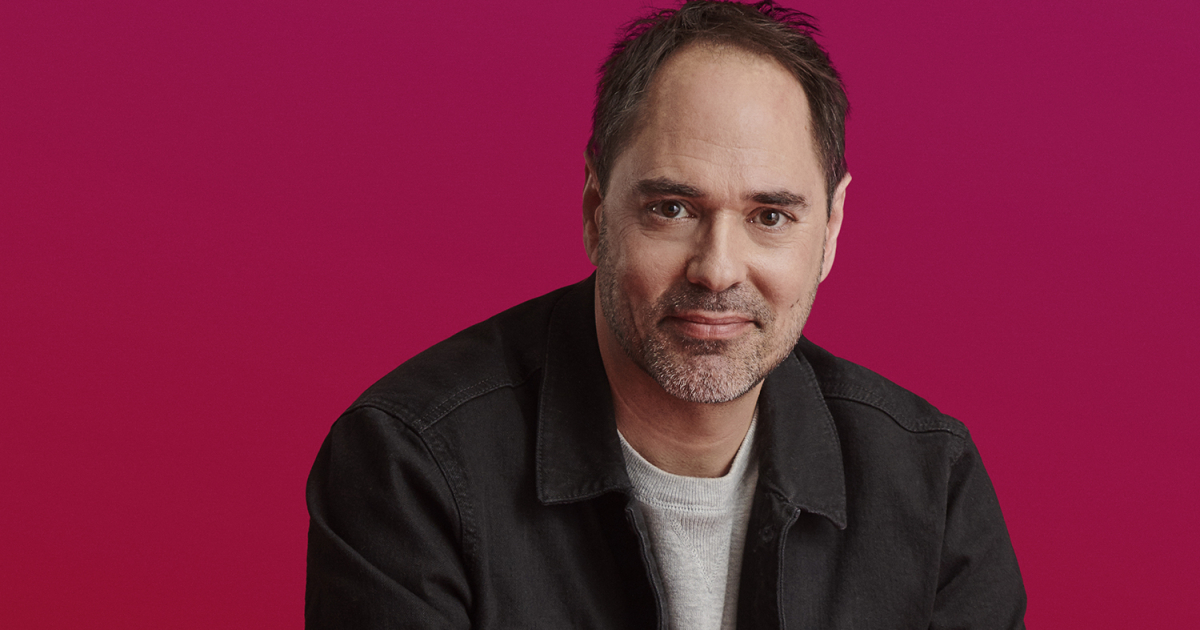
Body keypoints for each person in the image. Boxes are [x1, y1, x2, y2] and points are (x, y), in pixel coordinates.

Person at [305, 1, 1026, 628]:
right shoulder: (412, 466)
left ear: (831, 230)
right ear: (597, 210)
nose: (717, 269)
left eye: (770, 216)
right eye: (673, 209)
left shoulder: (930, 485)